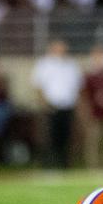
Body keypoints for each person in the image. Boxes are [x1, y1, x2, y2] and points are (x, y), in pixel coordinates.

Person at [32, 40, 83, 169]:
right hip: (51, 106)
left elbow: (78, 86)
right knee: (50, 137)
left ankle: (64, 164)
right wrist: (44, 103)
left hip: (67, 106)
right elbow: (38, 86)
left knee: (65, 137)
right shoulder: (44, 64)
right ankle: (49, 164)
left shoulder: (71, 65)